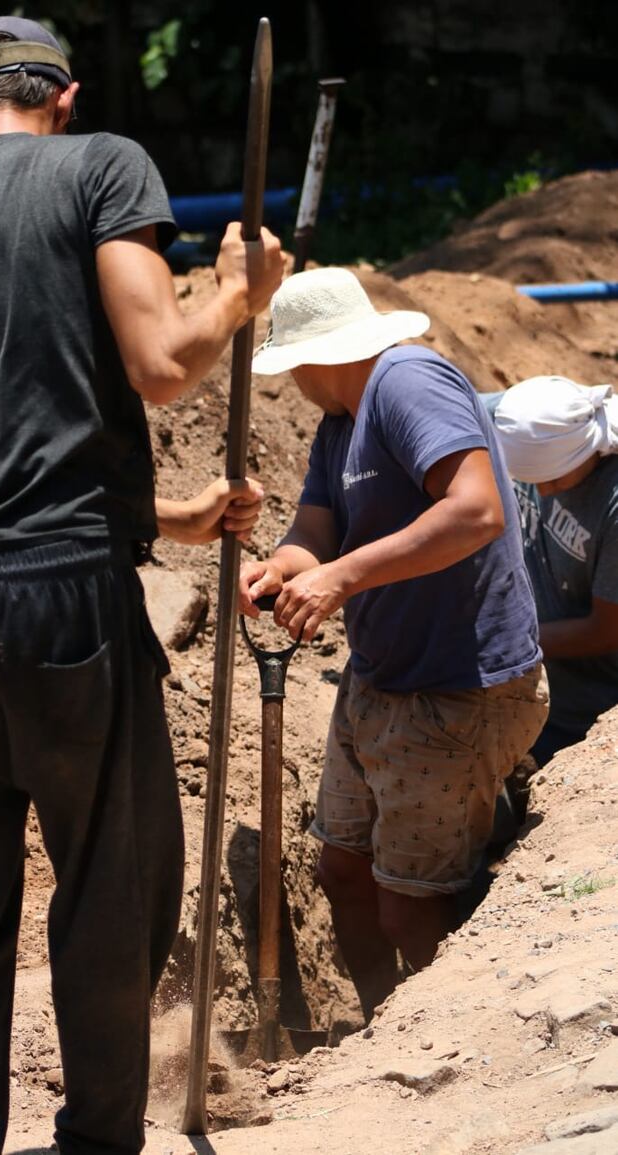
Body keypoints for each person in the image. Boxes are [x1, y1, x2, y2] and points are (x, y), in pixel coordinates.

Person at [0, 15, 283, 1155]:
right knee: (110, 888)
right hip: (63, 611)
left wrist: (167, 517)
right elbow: (159, 365)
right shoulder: (100, 164)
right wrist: (239, 294)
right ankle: (98, 1140)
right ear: (64, 95)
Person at [239, 267, 549, 1020]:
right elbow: (315, 529)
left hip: (456, 685)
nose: (291, 384)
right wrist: (282, 566)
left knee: (408, 909)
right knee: (343, 872)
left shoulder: (408, 384)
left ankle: (455, 1038)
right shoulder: (339, 421)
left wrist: (341, 578)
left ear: (316, 355)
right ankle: (381, 1028)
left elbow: (477, 511)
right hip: (381, 678)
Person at [481, 376, 618, 766]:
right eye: (529, 480)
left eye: (555, 479)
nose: (542, 493)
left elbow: (606, 630)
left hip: (578, 710)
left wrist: (492, 643)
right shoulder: (522, 418)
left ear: (586, 451)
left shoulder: (613, 503)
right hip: (518, 673)